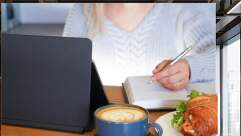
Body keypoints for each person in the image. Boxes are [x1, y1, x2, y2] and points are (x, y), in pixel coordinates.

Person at [63, 3, 215, 90]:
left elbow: (220, 55)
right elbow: (64, 72)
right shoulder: (81, 11)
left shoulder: (186, 8)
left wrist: (190, 68)